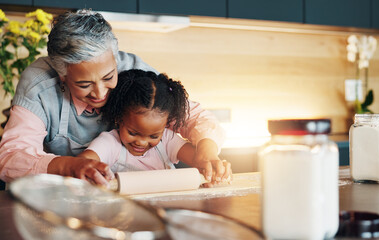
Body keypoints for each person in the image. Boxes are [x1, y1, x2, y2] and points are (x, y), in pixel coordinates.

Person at [0, 9, 227, 186]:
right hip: (56, 199)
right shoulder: (40, 85)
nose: (100, 93)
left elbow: (191, 115)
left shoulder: (135, 72)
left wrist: (206, 151)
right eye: (84, 84)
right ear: (62, 76)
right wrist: (70, 166)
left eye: (108, 77)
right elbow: (11, 157)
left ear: (115, 60)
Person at [79, 69, 232, 186]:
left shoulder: (167, 139)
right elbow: (85, 161)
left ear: (166, 125)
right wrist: (90, 170)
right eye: (133, 133)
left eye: (153, 136)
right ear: (119, 118)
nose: (142, 142)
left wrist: (212, 167)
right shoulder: (110, 143)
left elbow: (198, 159)